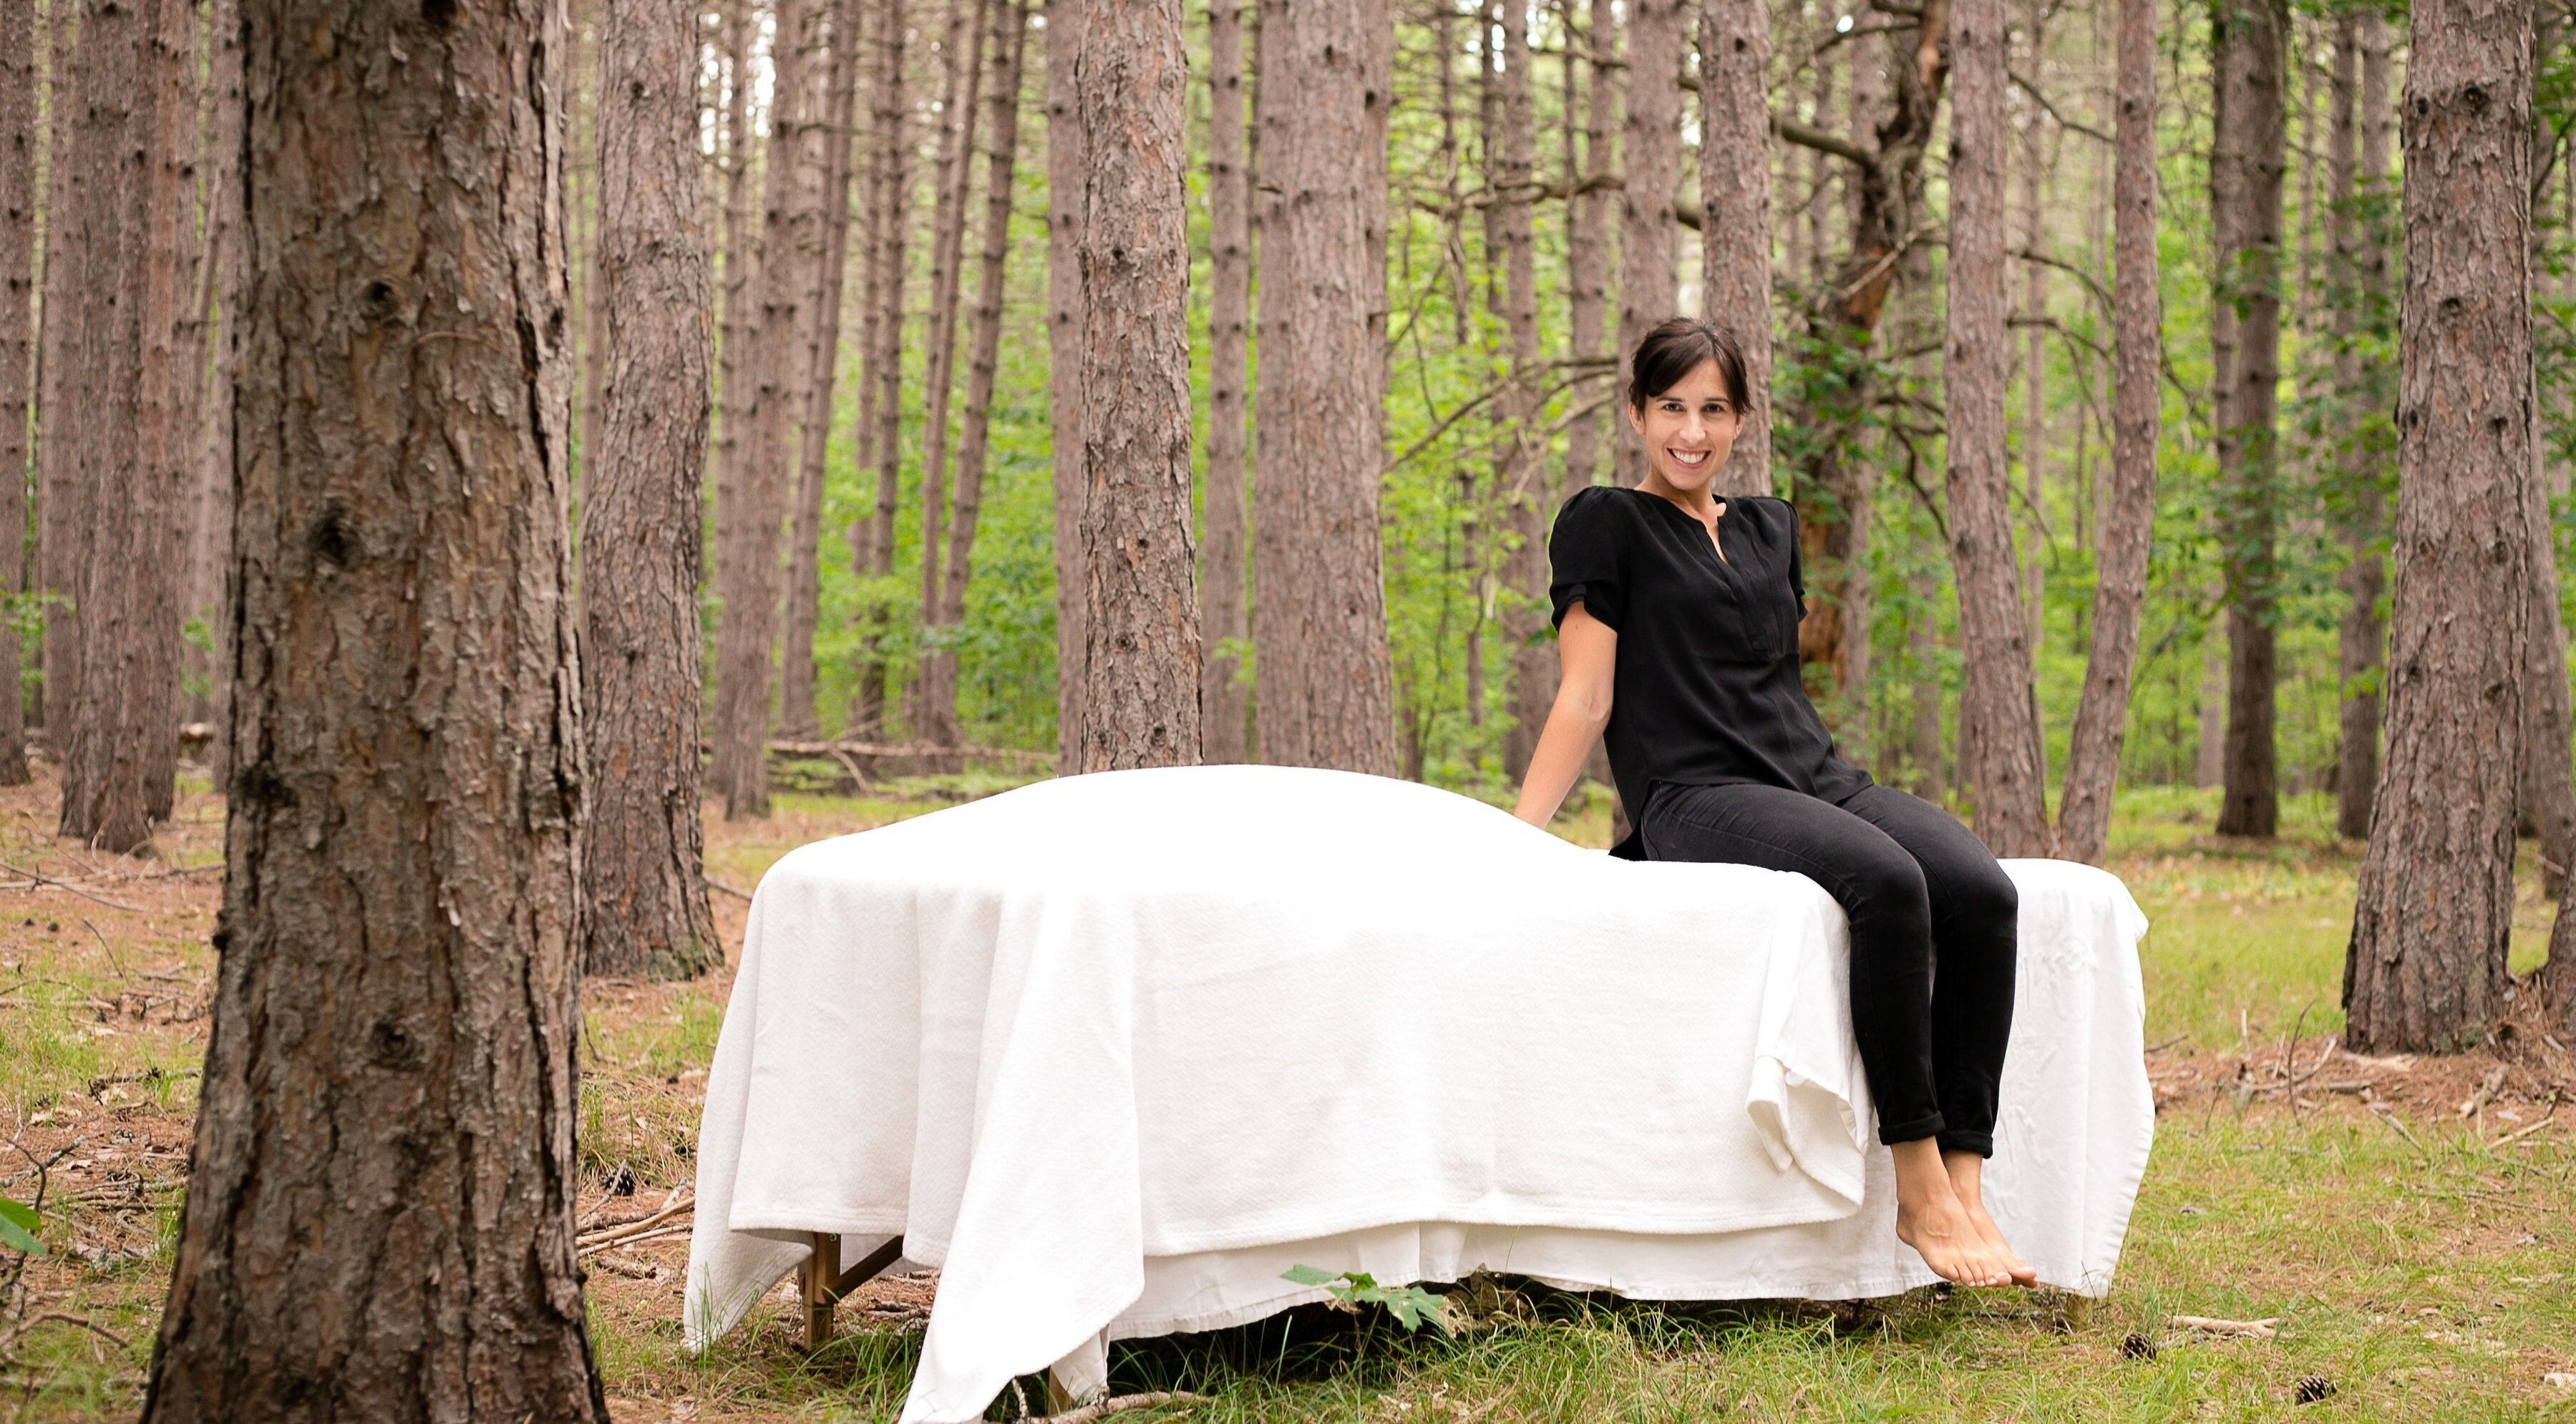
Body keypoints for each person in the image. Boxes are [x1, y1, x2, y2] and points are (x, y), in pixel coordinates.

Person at [1511, 317, 2036, 1289]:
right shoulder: (1604, 522)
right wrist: (1515, 842)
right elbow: (1587, 695)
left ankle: (1967, 1180)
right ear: (1636, 412)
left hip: (1810, 772)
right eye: (1671, 406)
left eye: (1713, 408)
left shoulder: (1768, 527)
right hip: (1694, 791)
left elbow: (1772, 680)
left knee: (1981, 891)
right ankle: (1917, 1179)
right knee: (1885, 882)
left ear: (1742, 419)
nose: (1691, 430)